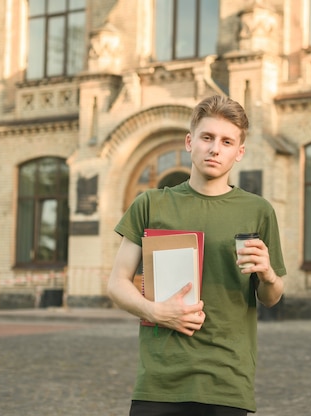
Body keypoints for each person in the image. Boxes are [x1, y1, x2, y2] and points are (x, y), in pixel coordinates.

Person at [107, 95, 286, 416]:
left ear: (239, 152)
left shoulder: (258, 211)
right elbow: (117, 283)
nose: (215, 148)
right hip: (160, 377)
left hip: (226, 378)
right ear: (190, 142)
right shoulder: (150, 204)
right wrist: (157, 312)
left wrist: (268, 275)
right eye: (207, 137)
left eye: (227, 141)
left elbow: (271, 297)